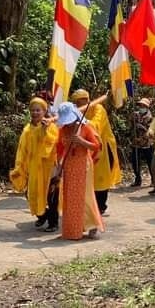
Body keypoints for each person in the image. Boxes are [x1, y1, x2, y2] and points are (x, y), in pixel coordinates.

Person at [9, 97, 60, 232]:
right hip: (32, 167)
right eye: (33, 110)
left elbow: (52, 144)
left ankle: (53, 222)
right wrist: (20, 166)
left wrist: (44, 132)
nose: (35, 113)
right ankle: (42, 215)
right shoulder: (27, 129)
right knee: (31, 194)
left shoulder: (52, 127)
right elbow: (22, 149)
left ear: (44, 111)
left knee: (51, 195)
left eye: (38, 110)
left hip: (48, 167)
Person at [55, 102, 104, 240]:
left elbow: (96, 146)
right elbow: (59, 148)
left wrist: (82, 141)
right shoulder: (62, 130)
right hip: (69, 166)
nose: (68, 124)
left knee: (85, 196)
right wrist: (59, 164)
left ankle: (93, 225)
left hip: (83, 166)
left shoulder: (85, 128)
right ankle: (74, 228)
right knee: (70, 198)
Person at [71, 90, 120, 215]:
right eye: (76, 102)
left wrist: (80, 123)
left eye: (80, 101)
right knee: (89, 178)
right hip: (86, 148)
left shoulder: (99, 109)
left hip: (103, 147)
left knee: (101, 178)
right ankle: (91, 206)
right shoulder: (77, 111)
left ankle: (101, 206)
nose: (78, 104)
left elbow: (95, 126)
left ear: (86, 99)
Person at [130, 98, 155, 187]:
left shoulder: (150, 117)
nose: (141, 107)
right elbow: (132, 127)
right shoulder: (135, 115)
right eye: (140, 105)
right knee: (135, 161)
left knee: (150, 162)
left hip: (147, 143)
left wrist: (142, 139)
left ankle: (154, 180)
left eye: (143, 106)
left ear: (147, 107)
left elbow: (150, 130)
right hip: (136, 143)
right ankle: (137, 179)